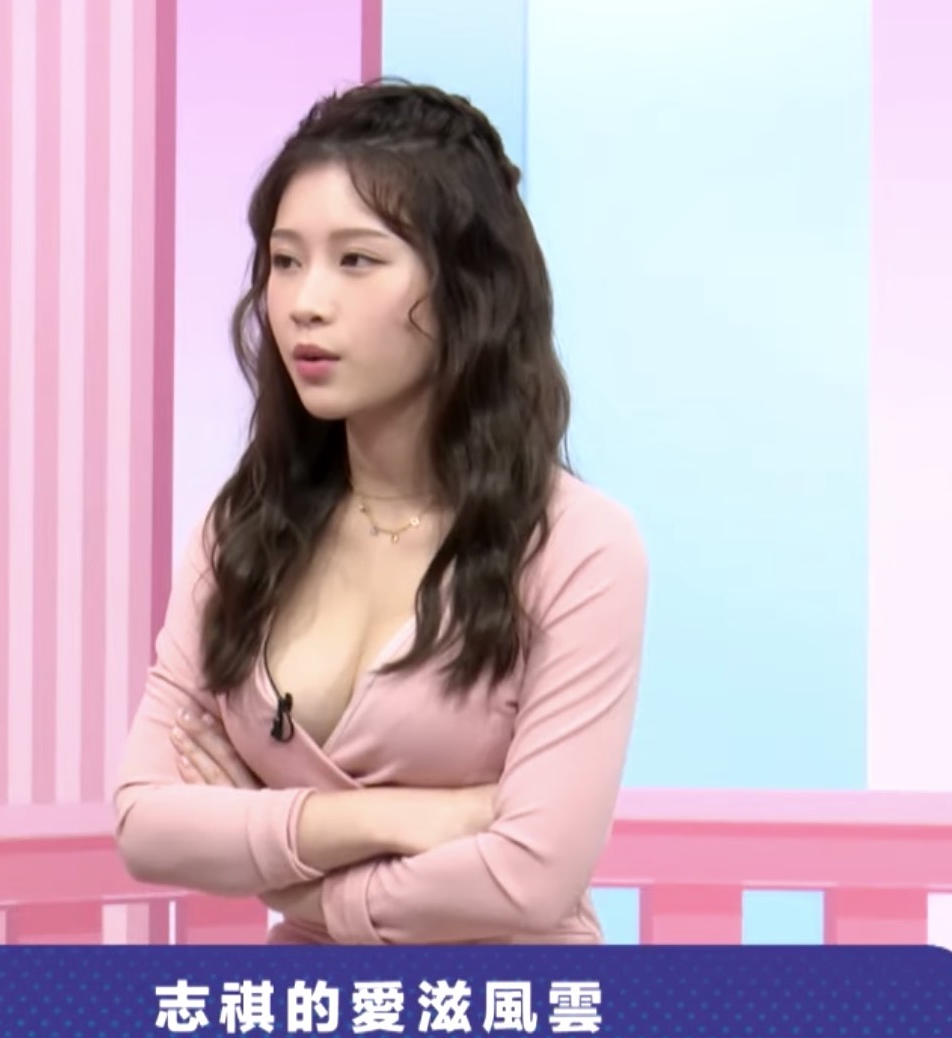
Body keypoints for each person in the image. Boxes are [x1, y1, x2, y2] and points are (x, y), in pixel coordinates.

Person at [113, 80, 649, 948]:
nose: (304, 303)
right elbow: (146, 821)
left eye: (356, 260)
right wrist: (393, 817)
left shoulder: (579, 546)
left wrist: (287, 880)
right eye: (286, 261)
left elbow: (527, 876)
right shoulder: (243, 527)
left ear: (465, 287)